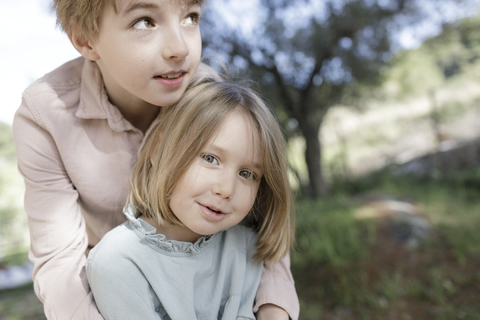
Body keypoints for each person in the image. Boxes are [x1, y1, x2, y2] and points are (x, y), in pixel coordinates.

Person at [12, 0, 299, 319]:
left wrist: (274, 309)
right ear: (85, 39)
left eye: (191, 17)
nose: (180, 48)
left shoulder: (207, 95)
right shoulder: (45, 116)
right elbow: (61, 270)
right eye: (145, 21)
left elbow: (264, 223)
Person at [86, 78, 295, 319]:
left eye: (246, 174)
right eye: (210, 158)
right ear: (158, 149)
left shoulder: (246, 246)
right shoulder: (117, 262)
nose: (226, 189)